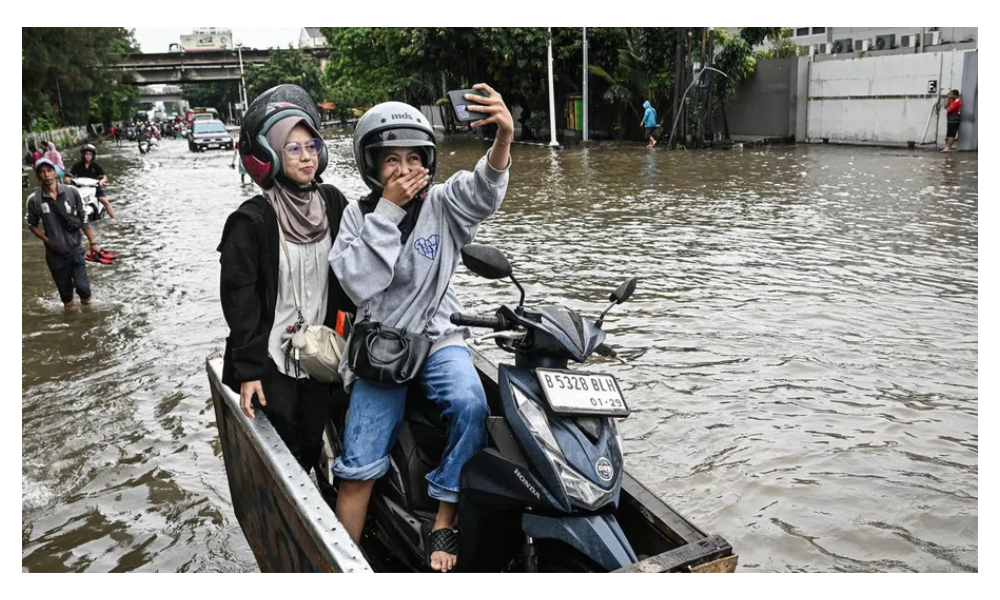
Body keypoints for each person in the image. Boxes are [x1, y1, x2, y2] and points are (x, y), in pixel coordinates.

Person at [329, 83, 513, 573]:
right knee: (359, 465)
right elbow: (359, 283)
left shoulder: (443, 204)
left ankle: (444, 516)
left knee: (471, 404)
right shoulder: (358, 216)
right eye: (391, 160)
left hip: (437, 336)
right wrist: (389, 210)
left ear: (428, 161)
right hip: (381, 346)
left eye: (414, 158)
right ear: (372, 166)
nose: (404, 169)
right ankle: (341, 564)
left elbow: (482, 191)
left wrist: (503, 139)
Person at [218, 84, 354, 476]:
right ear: (271, 155)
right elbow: (240, 302)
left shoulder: (333, 202)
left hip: (319, 350)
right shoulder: (251, 221)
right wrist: (248, 371)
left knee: (310, 441)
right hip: (270, 359)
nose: (307, 156)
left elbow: (358, 265)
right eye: (293, 148)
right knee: (282, 447)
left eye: (312, 146)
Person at [25, 158, 103, 308]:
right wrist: (48, 240)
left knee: (84, 290)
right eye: (41, 172)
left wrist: (93, 242)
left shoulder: (71, 192)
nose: (46, 175)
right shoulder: (34, 200)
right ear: (38, 176)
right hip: (55, 255)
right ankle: (72, 319)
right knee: (66, 298)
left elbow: (83, 218)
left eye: (49, 170)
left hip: (76, 249)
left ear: (55, 173)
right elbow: (31, 224)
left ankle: (88, 317)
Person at [68, 144, 117, 218]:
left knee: (105, 201)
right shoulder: (77, 165)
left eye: (90, 154)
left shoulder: (95, 166)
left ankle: (114, 218)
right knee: (70, 202)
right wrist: (68, 179)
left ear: (93, 156)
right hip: (80, 188)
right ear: (83, 155)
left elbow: (104, 177)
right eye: (86, 154)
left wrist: (101, 182)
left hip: (94, 187)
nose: (88, 156)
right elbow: (70, 175)